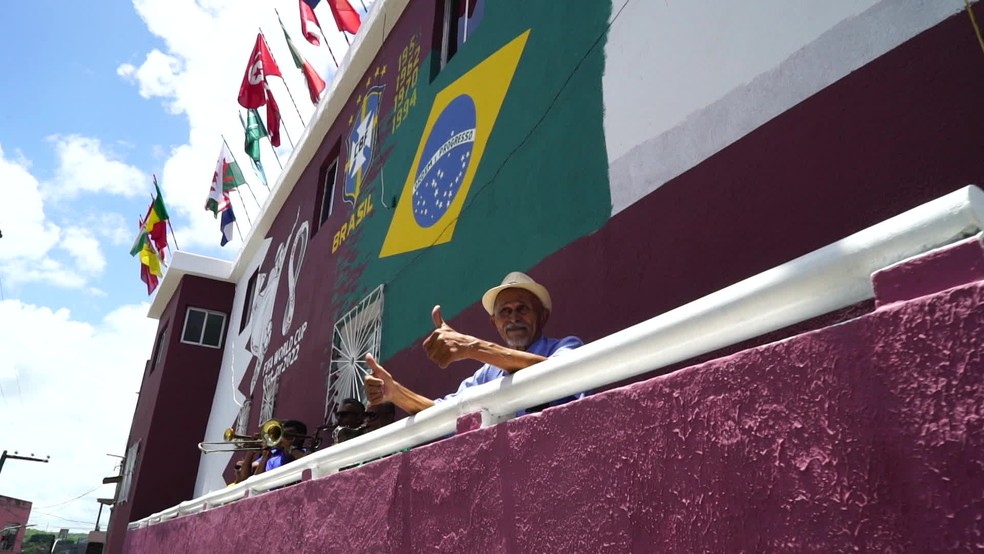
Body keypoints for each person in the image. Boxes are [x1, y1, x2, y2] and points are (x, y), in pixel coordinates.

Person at [365, 271, 583, 415]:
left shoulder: (566, 347)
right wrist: (394, 393)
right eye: (505, 312)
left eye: (522, 309)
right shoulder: (487, 374)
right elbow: (443, 412)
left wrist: (472, 346)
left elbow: (553, 372)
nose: (514, 318)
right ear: (495, 323)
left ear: (542, 316)